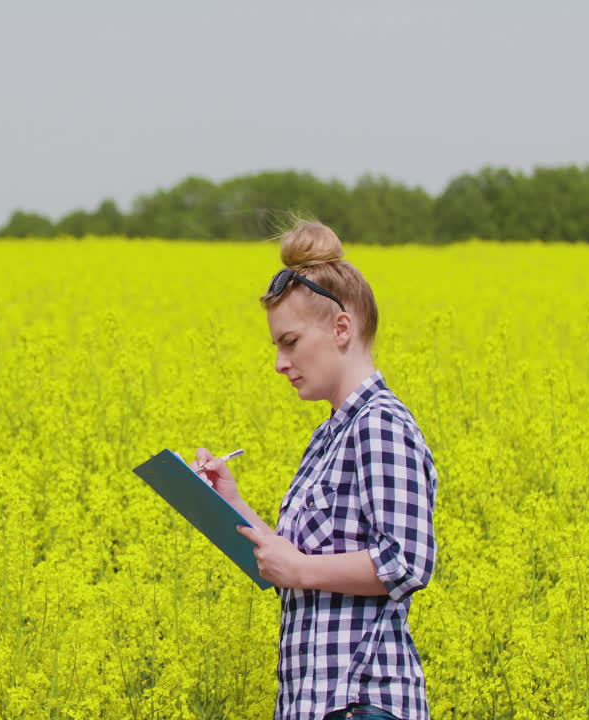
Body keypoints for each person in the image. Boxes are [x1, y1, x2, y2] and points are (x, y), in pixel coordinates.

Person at [192, 219, 438, 720]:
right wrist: (231, 502)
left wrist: (300, 569)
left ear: (341, 328)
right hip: (317, 703)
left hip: (363, 702)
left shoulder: (380, 426)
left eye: (290, 341)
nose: (280, 363)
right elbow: (289, 563)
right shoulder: (330, 434)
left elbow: (407, 562)